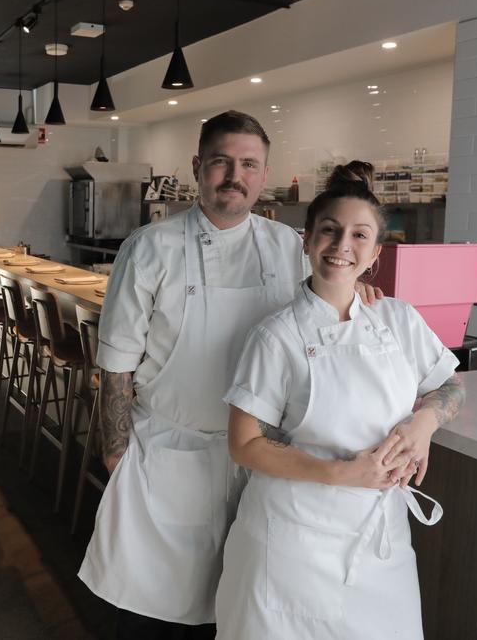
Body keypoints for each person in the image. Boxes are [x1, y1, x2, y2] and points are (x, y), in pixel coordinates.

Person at [77, 113, 380, 639]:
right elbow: (116, 363)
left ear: (264, 175)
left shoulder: (291, 246)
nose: (232, 175)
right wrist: (115, 450)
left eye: (248, 164)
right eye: (220, 161)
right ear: (198, 168)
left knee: (246, 606)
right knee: (159, 607)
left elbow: (331, 300)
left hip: (265, 458)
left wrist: (362, 294)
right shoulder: (150, 247)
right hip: (171, 452)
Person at [214, 162, 465, 640]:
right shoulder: (276, 335)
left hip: (379, 540)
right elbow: (243, 444)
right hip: (291, 540)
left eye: (359, 235)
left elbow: (451, 386)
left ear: (375, 252)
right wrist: (342, 473)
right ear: (306, 240)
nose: (342, 246)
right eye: (329, 231)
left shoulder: (398, 318)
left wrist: (425, 424)